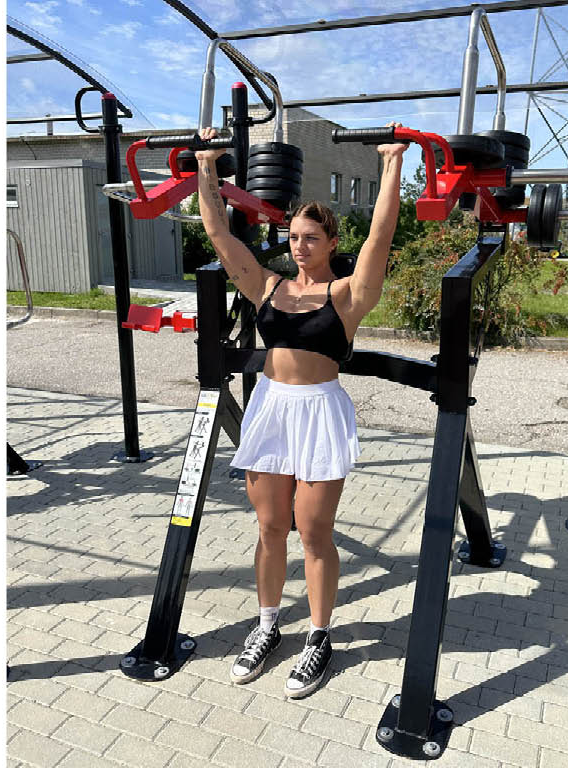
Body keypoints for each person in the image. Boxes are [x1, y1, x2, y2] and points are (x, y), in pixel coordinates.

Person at [194, 123, 408, 698]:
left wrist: (392, 163)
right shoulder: (268, 287)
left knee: (314, 532)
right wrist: (207, 166)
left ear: (331, 242)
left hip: (319, 413)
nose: (299, 246)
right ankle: (267, 625)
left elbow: (381, 236)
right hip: (270, 407)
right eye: (293, 237)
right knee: (269, 527)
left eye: (311, 238)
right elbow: (218, 233)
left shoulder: (348, 295)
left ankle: (318, 636)